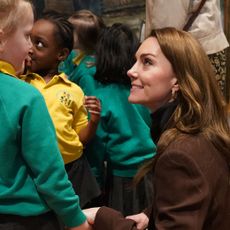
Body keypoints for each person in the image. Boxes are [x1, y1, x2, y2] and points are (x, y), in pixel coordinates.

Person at [83, 27, 230, 230]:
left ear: (177, 80)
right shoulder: (197, 132)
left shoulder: (180, 155)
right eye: (136, 60)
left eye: (147, 62)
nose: (131, 71)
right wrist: (148, 213)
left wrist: (103, 216)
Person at [0, 0, 91, 229]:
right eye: (27, 36)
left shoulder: (71, 89)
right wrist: (75, 220)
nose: (29, 47)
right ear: (2, 39)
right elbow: (49, 173)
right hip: (25, 219)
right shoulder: (25, 96)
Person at [20, 11, 101, 208]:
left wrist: (94, 121)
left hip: (72, 169)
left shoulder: (73, 90)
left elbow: (80, 136)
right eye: (28, 40)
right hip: (34, 169)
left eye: (39, 44)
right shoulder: (20, 83)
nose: (30, 48)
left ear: (62, 54)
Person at [83, 23, 156, 216]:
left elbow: (97, 147)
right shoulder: (146, 91)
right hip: (152, 171)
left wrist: (96, 182)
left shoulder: (101, 98)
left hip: (121, 179)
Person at [145, 0, 229, 94]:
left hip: (187, 56)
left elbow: (166, 29)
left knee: (188, 105)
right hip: (208, 48)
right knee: (208, 104)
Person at [59, 9, 105, 96]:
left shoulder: (86, 75)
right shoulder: (77, 55)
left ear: (83, 39)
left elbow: (91, 102)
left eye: (69, 31)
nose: (65, 33)